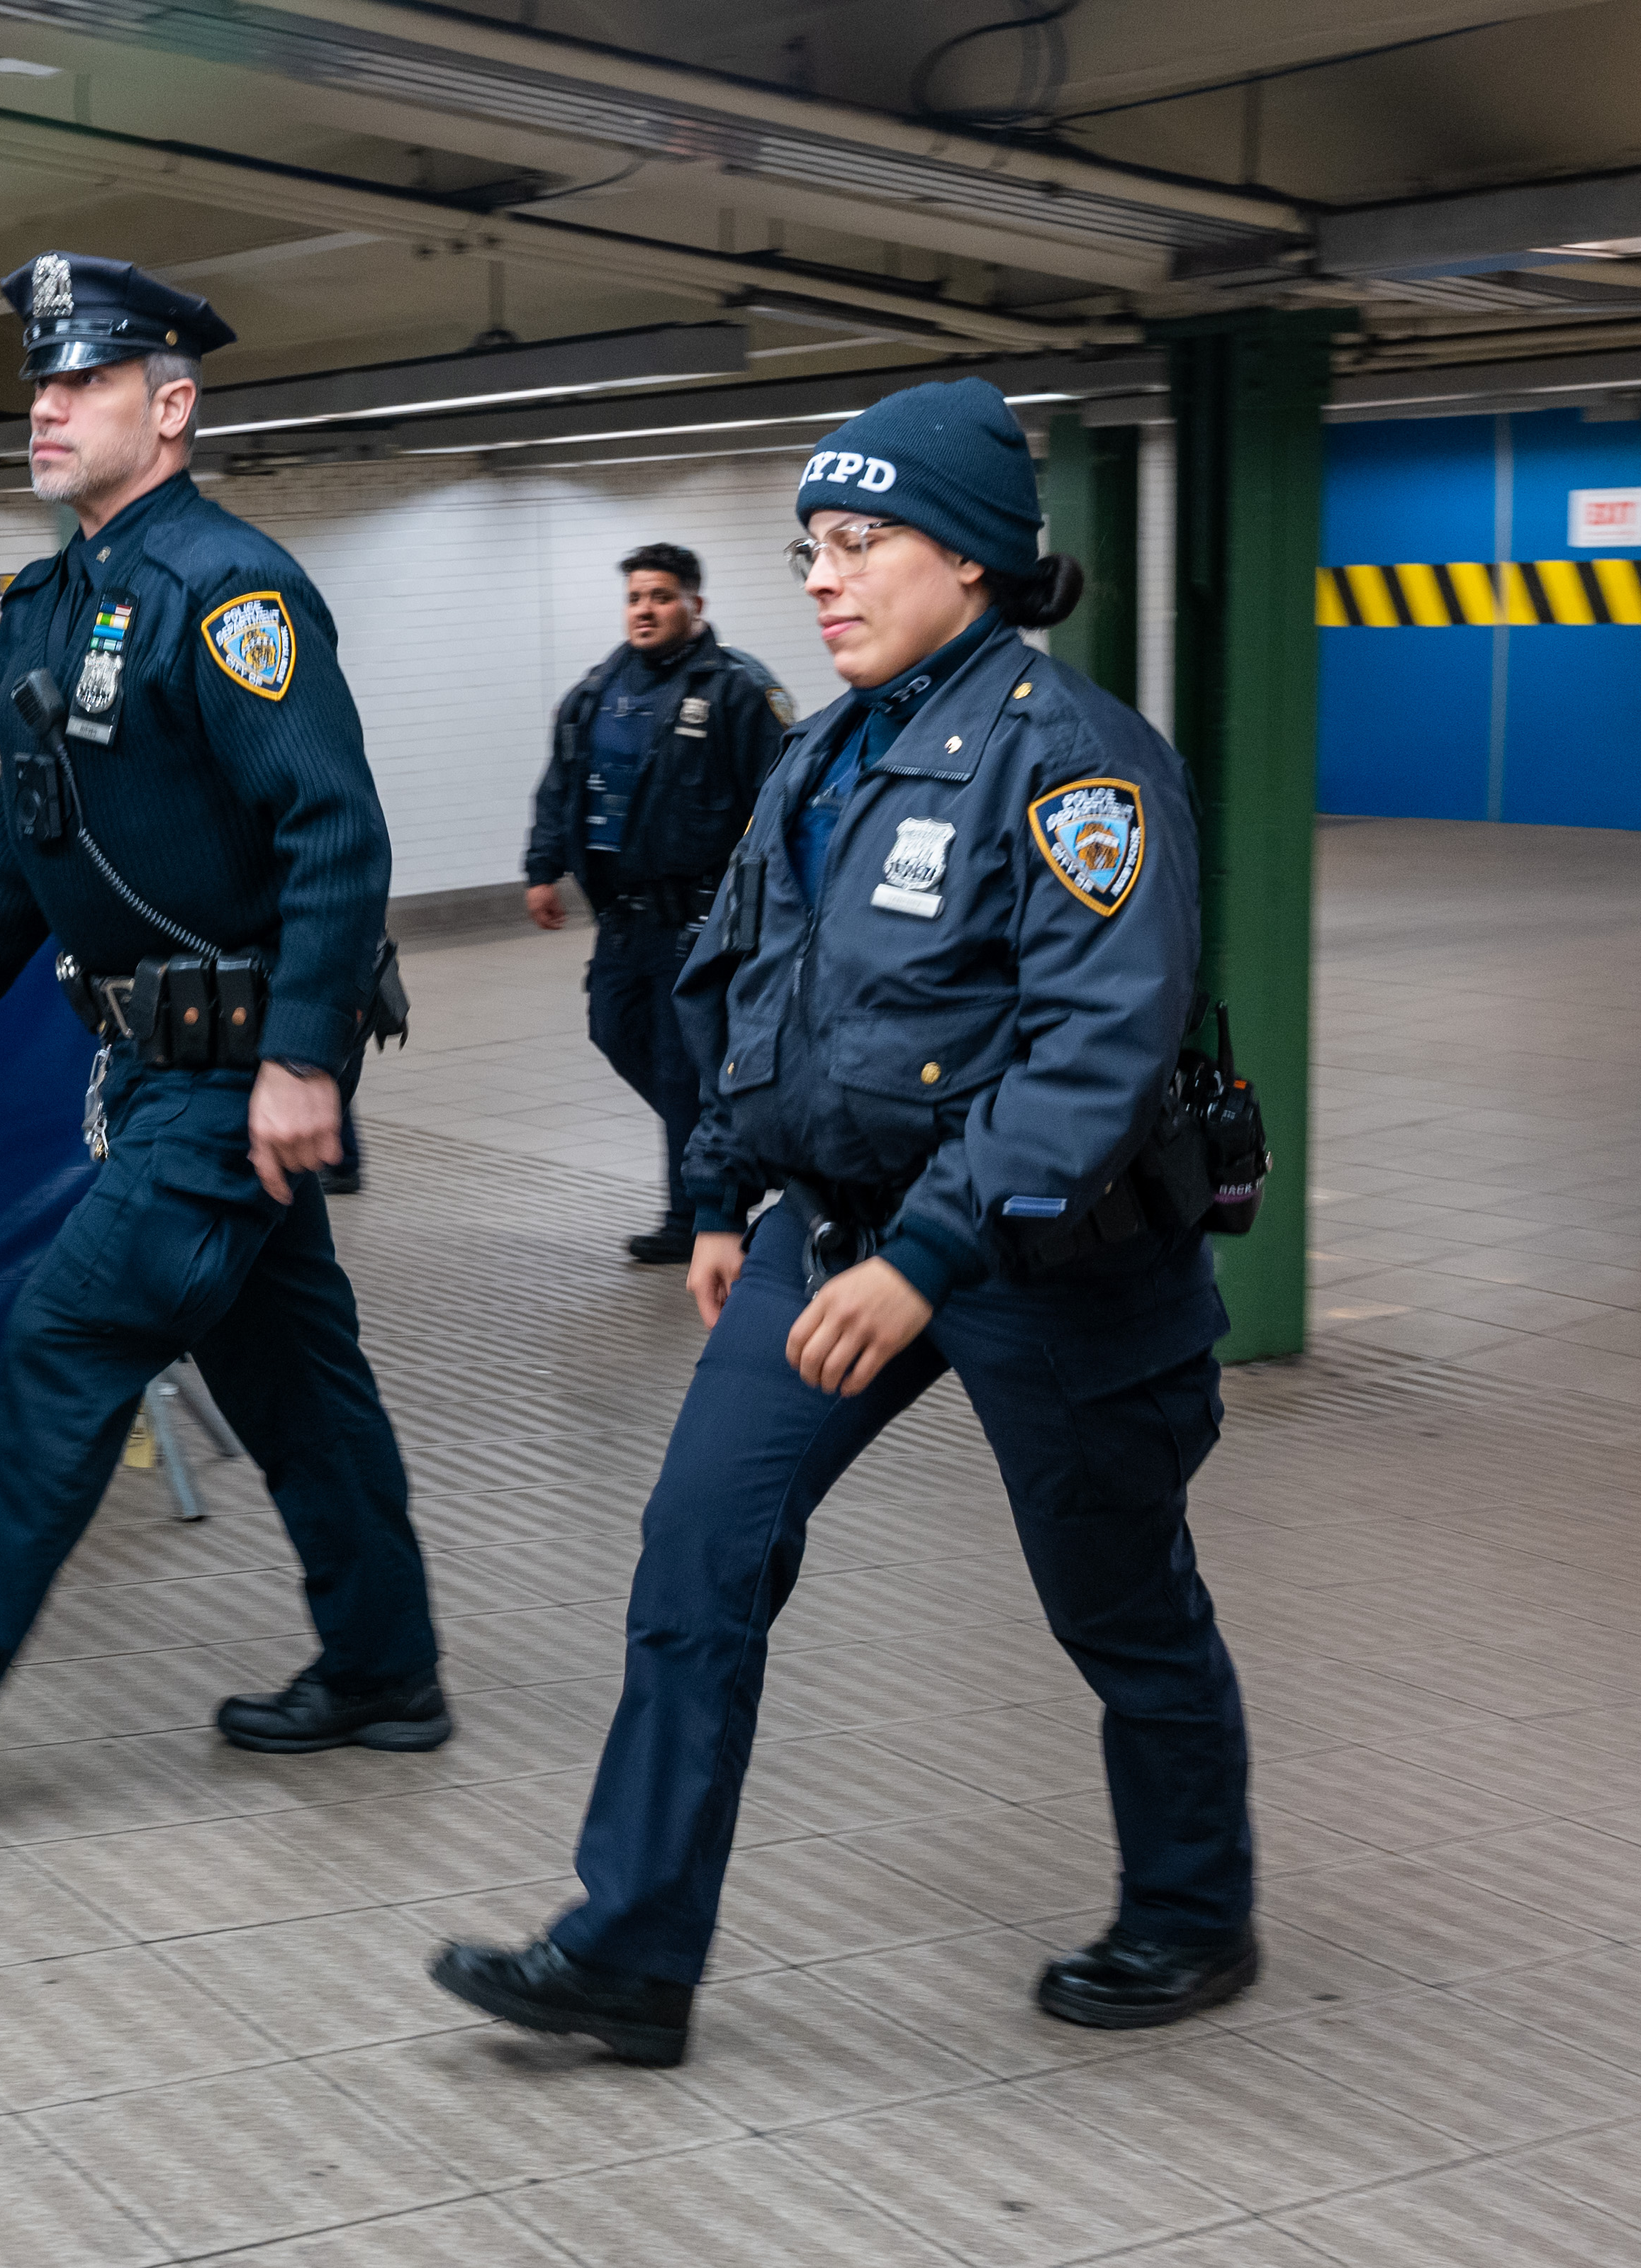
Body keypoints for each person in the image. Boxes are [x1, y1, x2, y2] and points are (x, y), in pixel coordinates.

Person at [428, 379, 1257, 2065]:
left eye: (861, 540)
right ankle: (630, 1953)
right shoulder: (823, 751)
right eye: (811, 544)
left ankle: (1190, 1909)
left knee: (1119, 1598)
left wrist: (926, 1259)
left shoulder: (1078, 764)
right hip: (834, 1230)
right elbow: (756, 987)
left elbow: (1096, 1051)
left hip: (1043, 1260)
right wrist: (729, 1183)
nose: (824, 574)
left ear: (972, 558)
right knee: (700, 1546)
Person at [0, 253, 446, 1809]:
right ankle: (383, 1669)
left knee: (66, 1337)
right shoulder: (49, 602)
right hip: (157, 1064)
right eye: (40, 382)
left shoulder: (232, 591)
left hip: (232, 1069)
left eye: (82, 383)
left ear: (175, 406)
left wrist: (296, 1059)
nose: (46, 406)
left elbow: (334, 837)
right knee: (299, 1391)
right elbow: (27, 832)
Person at [525, 545, 795, 1262]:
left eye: (661, 596)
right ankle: (727, 1143)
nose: (644, 609)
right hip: (622, 918)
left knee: (683, 1067)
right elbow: (563, 786)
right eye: (636, 597)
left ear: (694, 606)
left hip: (699, 918)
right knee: (614, 1031)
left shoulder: (737, 690)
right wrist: (541, 866)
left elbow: (779, 797)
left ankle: (693, 1214)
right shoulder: (596, 692)